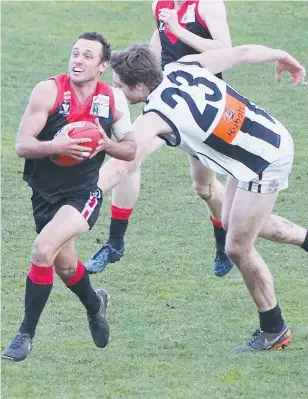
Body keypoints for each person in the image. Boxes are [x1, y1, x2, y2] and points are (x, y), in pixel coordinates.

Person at [91, 42, 307, 351]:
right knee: (235, 222)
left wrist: (83, 194)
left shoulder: (154, 116)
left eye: (120, 85)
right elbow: (241, 54)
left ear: (140, 85)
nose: (117, 91)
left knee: (236, 246)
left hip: (264, 162)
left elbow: (120, 167)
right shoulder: (184, 66)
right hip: (266, 138)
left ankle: (274, 329)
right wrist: (283, 55)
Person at [1, 32, 136, 362]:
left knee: (43, 249)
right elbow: (22, 145)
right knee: (64, 266)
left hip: (83, 193)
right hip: (45, 193)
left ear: (103, 65)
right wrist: (54, 147)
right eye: (75, 53)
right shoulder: (49, 90)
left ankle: (24, 334)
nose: (78, 59)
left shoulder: (112, 101)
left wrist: (107, 144)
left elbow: (130, 149)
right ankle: (95, 303)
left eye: (88, 56)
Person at [86, 0, 235, 277]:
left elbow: (226, 50)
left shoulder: (208, 5)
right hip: (165, 106)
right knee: (127, 157)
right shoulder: (160, 5)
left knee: (204, 188)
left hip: (201, 113)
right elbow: (158, 46)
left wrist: (180, 30)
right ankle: (113, 241)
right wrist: (134, 73)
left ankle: (223, 242)